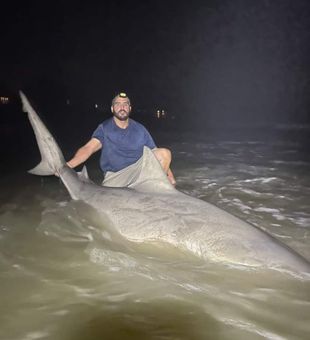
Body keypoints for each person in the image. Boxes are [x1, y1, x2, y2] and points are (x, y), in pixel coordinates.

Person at [67, 92, 176, 186]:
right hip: (116, 176)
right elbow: (88, 148)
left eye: (125, 104)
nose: (122, 107)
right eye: (117, 104)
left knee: (165, 153)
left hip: (138, 171)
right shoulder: (104, 128)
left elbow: (158, 155)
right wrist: (68, 166)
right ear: (112, 108)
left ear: (130, 108)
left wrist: (170, 179)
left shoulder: (140, 129)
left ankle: (154, 189)